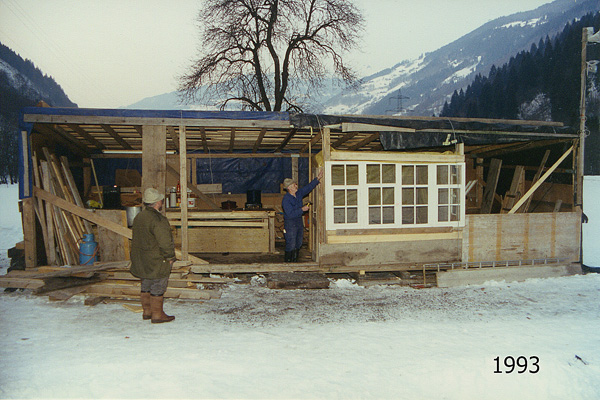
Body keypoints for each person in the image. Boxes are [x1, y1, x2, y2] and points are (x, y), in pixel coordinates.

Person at [130, 188, 176, 323]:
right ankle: (157, 315)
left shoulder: (139, 217)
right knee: (158, 284)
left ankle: (147, 311)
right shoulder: (158, 219)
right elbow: (165, 242)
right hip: (156, 258)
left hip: (142, 258)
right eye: (161, 200)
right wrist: (170, 257)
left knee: (146, 282)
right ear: (157, 202)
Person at [282, 168, 323, 262]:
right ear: (289, 188)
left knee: (298, 243)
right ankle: (288, 263)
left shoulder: (298, 193)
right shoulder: (286, 200)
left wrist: (317, 179)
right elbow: (290, 214)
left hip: (298, 222)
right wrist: (302, 209)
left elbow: (308, 188)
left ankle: (295, 262)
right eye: (294, 185)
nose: (296, 185)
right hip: (290, 223)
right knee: (291, 244)